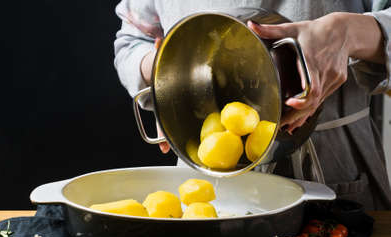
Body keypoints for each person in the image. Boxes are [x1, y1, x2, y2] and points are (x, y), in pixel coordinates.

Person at [114, 0, 391, 210]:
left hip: (337, 170)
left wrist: (349, 32)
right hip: (206, 187)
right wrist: (164, 71)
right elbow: (132, 40)